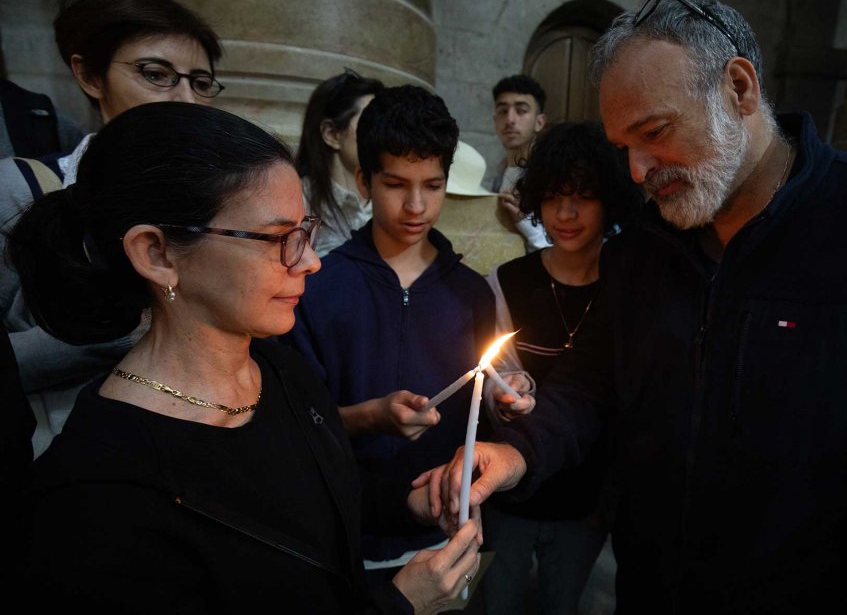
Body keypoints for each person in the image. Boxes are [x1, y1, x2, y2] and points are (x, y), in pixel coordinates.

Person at [421, 0, 847, 612]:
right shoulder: (642, 250)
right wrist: (517, 452)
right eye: (624, 149)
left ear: (739, 88)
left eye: (656, 131)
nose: (639, 171)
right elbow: (591, 383)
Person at [8, 100, 482, 612]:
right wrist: (399, 604)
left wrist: (410, 504)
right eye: (279, 238)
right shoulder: (98, 491)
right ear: (157, 253)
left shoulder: (281, 370)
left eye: (307, 232)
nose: (312, 261)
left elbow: (320, 498)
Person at [283, 85, 531, 589]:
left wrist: (508, 397)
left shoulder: (469, 293)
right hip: (342, 528)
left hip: (441, 527)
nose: (416, 206)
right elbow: (293, 421)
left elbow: (482, 404)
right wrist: (367, 416)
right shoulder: (320, 289)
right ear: (364, 180)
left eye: (433, 186)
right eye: (396, 184)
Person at [0, 0, 225, 456]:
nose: (184, 101)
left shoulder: (219, 203)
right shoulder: (21, 190)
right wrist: (115, 338)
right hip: (67, 465)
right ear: (89, 75)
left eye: (201, 83)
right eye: (155, 74)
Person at [476, 120, 643, 615]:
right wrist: (509, 397)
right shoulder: (508, 281)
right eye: (552, 196)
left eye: (584, 196)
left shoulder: (628, 285)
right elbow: (496, 374)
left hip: (586, 500)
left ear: (609, 199)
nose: (566, 214)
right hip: (509, 495)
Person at [296, 68, 385, 256]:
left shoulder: (388, 199)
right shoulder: (298, 200)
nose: (384, 135)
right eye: (371, 123)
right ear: (332, 134)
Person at [481, 74, 550, 253]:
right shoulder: (498, 175)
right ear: (495, 120)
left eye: (521, 110)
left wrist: (528, 225)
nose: (510, 119)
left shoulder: (549, 177)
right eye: (503, 111)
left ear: (539, 122)